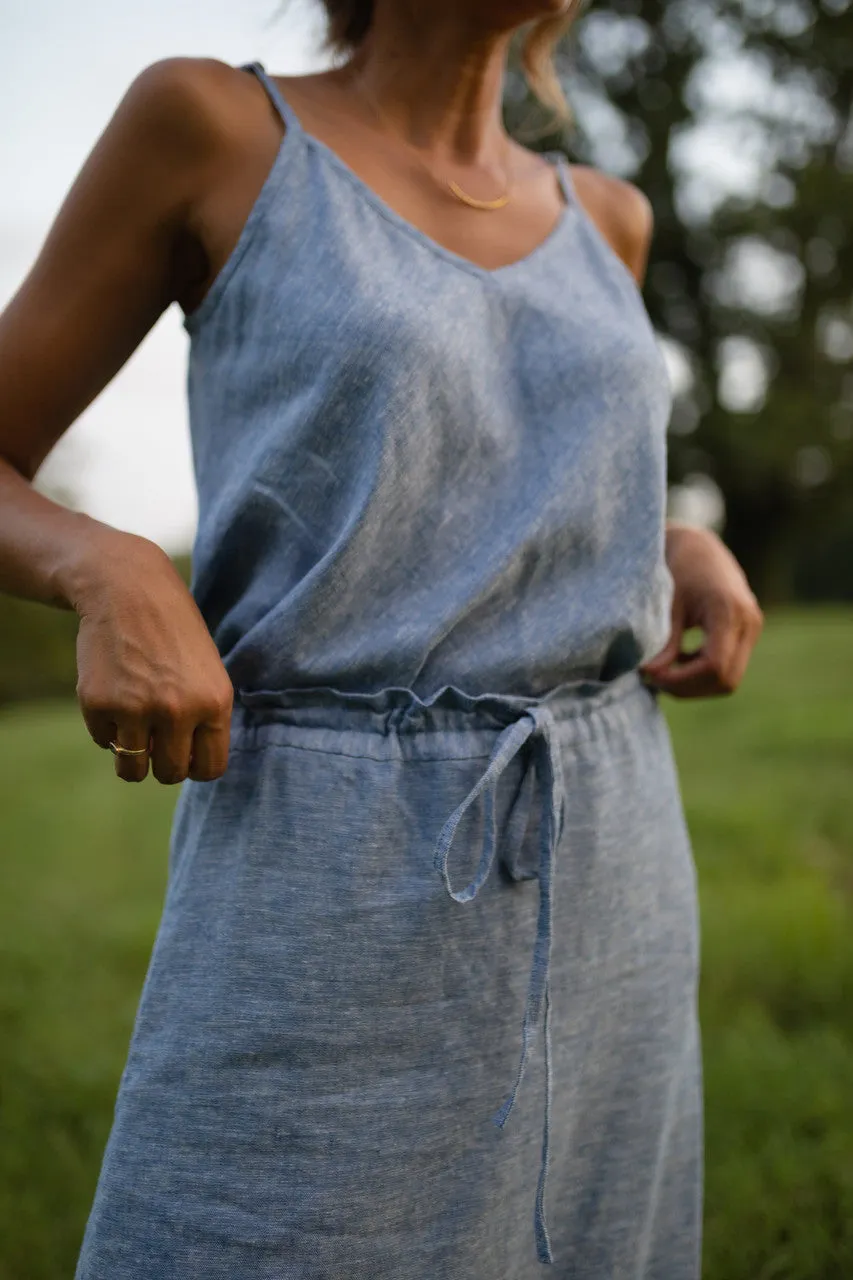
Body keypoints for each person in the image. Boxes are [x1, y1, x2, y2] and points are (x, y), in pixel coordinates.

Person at [0, 1, 764, 1276]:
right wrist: (107, 563)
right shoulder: (214, 126)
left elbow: (511, 451)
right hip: (331, 858)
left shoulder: (607, 217)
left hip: (613, 839)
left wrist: (668, 538)